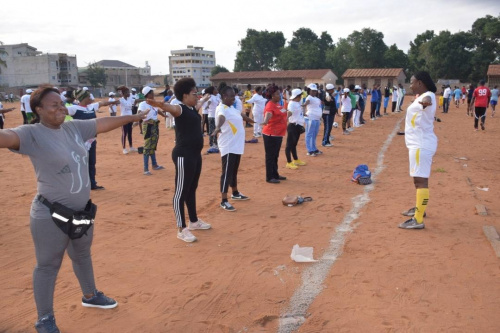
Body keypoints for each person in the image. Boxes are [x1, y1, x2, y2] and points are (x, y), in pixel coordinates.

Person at [0, 85, 149, 333]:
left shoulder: (72, 127)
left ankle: (90, 295)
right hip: (50, 214)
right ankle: (44, 319)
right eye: (53, 105)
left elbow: (102, 123)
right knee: (48, 265)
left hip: (81, 212)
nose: (60, 108)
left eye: (61, 104)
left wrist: (133, 116)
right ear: (38, 109)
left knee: (81, 255)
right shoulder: (31, 134)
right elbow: (5, 137)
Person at [145, 78, 212, 242]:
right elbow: (170, 108)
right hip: (184, 155)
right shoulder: (180, 109)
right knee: (181, 192)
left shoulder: (191, 108)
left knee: (192, 188)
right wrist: (160, 104)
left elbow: (198, 104)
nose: (197, 96)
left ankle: (194, 222)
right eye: (194, 93)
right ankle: (181, 228)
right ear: (184, 95)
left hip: (195, 154)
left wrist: (205, 98)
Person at [399, 71, 438, 229]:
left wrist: (425, 102)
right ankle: (419, 209)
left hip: (420, 145)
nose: (411, 84)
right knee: (419, 179)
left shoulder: (427, 96)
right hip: (419, 144)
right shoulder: (421, 96)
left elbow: (428, 99)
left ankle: (418, 219)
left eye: (412, 82)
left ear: (421, 83)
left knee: (420, 181)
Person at [66, 89, 119, 190]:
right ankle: (80, 184)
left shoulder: (91, 107)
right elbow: (59, 112)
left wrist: (113, 102)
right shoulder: (74, 108)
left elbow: (102, 103)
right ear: (83, 98)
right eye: (88, 97)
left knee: (91, 162)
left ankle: (92, 183)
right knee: (80, 163)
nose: (91, 98)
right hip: (80, 141)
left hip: (92, 140)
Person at [211, 86, 254, 211]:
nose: (234, 99)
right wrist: (217, 127)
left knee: (234, 170)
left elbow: (242, 116)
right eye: (231, 96)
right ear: (224, 96)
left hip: (237, 145)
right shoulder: (221, 108)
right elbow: (221, 118)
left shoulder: (232, 108)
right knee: (227, 173)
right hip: (228, 145)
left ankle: (235, 193)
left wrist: (254, 121)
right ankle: (224, 200)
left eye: (234, 96)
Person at [261, 85, 287, 183]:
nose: (279, 95)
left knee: (275, 155)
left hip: (278, 134)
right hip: (271, 134)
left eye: (279, 93)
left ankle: (275, 174)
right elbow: (269, 114)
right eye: (277, 94)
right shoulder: (270, 105)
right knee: (270, 156)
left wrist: (290, 113)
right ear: (272, 96)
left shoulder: (278, 104)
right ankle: (269, 177)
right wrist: (266, 120)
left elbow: (284, 112)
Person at [138, 86, 166, 175]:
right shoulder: (143, 104)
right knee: (147, 147)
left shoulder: (153, 103)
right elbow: (139, 113)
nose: (153, 94)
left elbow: (157, 110)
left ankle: (154, 165)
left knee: (153, 145)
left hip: (154, 125)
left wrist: (164, 115)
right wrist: (144, 116)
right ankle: (146, 169)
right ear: (148, 94)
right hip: (148, 126)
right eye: (152, 93)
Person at [285, 88, 307, 170]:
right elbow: (289, 112)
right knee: (289, 145)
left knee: (294, 144)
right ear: (297, 96)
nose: (301, 97)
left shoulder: (298, 102)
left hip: (298, 126)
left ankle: (296, 159)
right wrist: (286, 118)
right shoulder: (291, 104)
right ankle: (289, 162)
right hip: (292, 126)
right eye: (300, 95)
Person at [116, 86, 140, 154]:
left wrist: (145, 99)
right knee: (124, 133)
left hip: (130, 118)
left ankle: (131, 147)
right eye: (127, 92)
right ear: (124, 93)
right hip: (123, 119)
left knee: (130, 133)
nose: (129, 93)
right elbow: (116, 102)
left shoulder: (130, 99)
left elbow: (136, 100)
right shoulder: (121, 100)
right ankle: (124, 148)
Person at [303, 83, 322, 156]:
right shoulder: (309, 97)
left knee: (314, 134)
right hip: (311, 117)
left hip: (317, 118)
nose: (314, 92)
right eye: (312, 91)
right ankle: (309, 150)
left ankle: (314, 148)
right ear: (309, 91)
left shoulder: (317, 98)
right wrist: (303, 112)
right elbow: (305, 104)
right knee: (309, 134)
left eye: (315, 91)